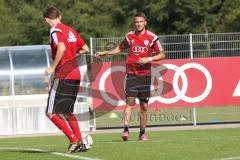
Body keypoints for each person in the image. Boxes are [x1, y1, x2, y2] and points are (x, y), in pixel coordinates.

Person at [95, 12, 165, 141]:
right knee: (130, 102)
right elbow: (119, 48)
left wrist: (148, 59)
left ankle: (142, 133)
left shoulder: (152, 38)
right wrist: (105, 53)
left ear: (145, 22)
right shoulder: (130, 36)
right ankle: (126, 130)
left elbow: (162, 54)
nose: (138, 24)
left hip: (145, 76)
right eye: (136, 22)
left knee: (144, 106)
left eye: (141, 21)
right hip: (132, 74)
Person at [43, 6, 89, 153]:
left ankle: (73, 140)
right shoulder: (70, 30)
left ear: (46, 19)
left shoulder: (54, 31)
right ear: (60, 16)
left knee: (51, 112)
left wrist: (52, 67)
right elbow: (86, 49)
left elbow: (61, 47)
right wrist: (72, 56)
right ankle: (81, 141)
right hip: (76, 75)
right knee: (68, 112)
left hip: (63, 75)